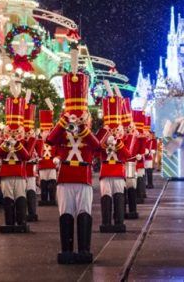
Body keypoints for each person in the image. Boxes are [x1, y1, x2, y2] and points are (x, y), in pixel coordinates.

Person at [46, 48, 101, 264]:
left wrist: (83, 128)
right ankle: (67, 249)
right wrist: (63, 122)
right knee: (66, 213)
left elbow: (96, 147)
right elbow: (50, 140)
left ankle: (84, 249)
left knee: (84, 214)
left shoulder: (89, 133)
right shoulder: (62, 130)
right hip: (65, 177)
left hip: (84, 176)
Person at [0, 95, 31, 233]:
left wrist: (18, 145)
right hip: (6, 170)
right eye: (11, 131)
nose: (13, 134)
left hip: (19, 171)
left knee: (20, 195)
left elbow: (27, 156)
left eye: (16, 132)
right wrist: (5, 145)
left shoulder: (25, 141)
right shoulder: (0, 141)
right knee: (7, 197)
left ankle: (21, 221)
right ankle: (9, 222)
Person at [97, 84, 130, 233]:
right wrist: (105, 136)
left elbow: (127, 155)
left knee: (118, 196)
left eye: (117, 130)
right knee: (106, 197)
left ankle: (119, 221)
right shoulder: (102, 137)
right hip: (106, 171)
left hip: (118, 171)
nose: (114, 132)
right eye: (112, 130)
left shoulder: (121, 140)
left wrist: (118, 143)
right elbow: (97, 149)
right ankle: (106, 222)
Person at [37, 108, 58, 206]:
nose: (46, 133)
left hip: (51, 164)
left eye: (48, 131)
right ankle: (44, 199)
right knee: (44, 183)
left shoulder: (54, 142)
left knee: (52, 183)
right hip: (42, 164)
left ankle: (52, 199)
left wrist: (57, 158)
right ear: (41, 133)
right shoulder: (37, 142)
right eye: (44, 131)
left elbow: (58, 152)